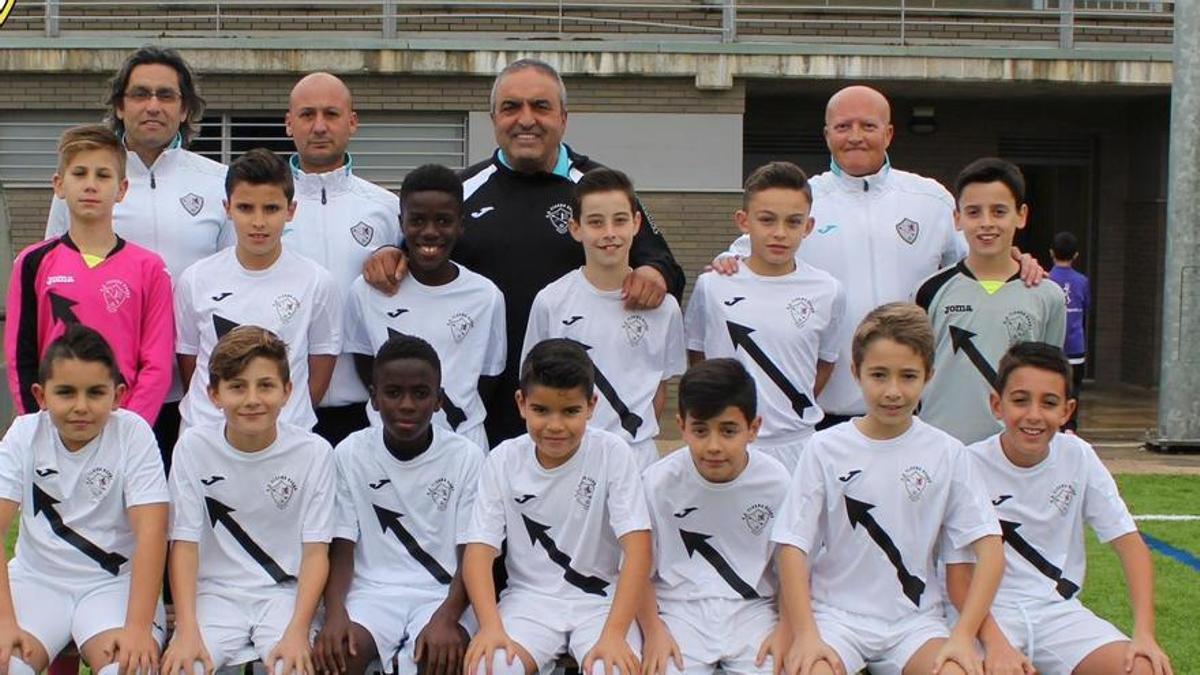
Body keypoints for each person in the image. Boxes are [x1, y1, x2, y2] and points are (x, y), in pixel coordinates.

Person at [363, 58, 685, 446]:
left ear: (564, 118)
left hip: (567, 408)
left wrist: (655, 274)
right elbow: (415, 247)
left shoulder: (598, 189)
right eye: (512, 107)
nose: (526, 119)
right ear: (494, 118)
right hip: (485, 406)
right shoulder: (461, 190)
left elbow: (663, 261)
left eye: (541, 106)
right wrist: (387, 253)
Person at [712, 86, 1044, 429]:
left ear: (888, 133)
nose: (855, 136)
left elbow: (980, 261)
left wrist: (1019, 260)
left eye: (867, 126)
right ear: (826, 135)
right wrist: (726, 262)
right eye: (843, 127)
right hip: (824, 411)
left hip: (914, 409)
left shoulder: (930, 200)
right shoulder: (804, 202)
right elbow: (743, 258)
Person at [772, 303, 1004, 675]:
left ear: (929, 375)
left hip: (916, 623)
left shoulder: (948, 453)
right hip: (836, 618)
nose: (893, 391)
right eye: (879, 375)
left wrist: (962, 634)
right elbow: (792, 545)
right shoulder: (825, 448)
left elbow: (991, 550)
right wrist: (806, 633)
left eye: (908, 376)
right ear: (856, 373)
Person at [43, 45, 232, 463]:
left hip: (196, 393)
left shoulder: (219, 183)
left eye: (166, 96)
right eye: (140, 94)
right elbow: (54, 278)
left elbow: (237, 280)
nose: (153, 106)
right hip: (102, 391)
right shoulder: (88, 180)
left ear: (185, 109)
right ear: (119, 105)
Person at [944, 342, 1172, 675]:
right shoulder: (966, 464)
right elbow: (958, 575)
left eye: (1049, 403)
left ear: (1067, 411)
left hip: (1056, 612)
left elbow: (1131, 546)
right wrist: (996, 645)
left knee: (1143, 667)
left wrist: (1144, 634)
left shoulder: (1078, 456)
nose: (1034, 415)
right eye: (1020, 400)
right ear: (997, 404)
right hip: (986, 616)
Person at [461, 339, 651, 675]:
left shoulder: (614, 453)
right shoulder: (502, 459)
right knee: (490, 667)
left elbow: (637, 549)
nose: (555, 425)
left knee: (615, 669)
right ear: (521, 403)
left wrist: (614, 634)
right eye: (541, 410)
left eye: (571, 411)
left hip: (602, 603)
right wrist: (490, 627)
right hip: (528, 601)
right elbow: (479, 551)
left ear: (591, 406)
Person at [161, 326, 335, 675]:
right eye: (237, 386)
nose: (252, 399)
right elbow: (184, 546)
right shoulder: (193, 447)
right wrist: (186, 630)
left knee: (294, 667)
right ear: (213, 394)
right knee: (183, 667)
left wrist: (299, 631)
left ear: (287, 391)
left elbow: (316, 552)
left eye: (266, 385)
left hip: (285, 595)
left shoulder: (314, 452)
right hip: (214, 595)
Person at [0, 326, 169, 675]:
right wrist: (4, 622)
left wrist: (138, 629)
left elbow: (152, 532)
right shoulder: (24, 434)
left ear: (118, 395)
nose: (81, 407)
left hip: (114, 583)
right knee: (6, 663)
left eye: (95, 393)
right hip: (36, 580)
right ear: (41, 395)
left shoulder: (133, 434)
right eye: (65, 392)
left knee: (131, 668)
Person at [314, 334, 482, 675]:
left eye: (421, 394)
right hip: (371, 592)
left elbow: (473, 554)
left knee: (438, 658)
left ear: (438, 400)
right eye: (393, 393)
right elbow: (342, 548)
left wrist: (447, 617)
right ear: (374, 399)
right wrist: (334, 614)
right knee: (336, 657)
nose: (407, 404)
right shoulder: (350, 452)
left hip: (442, 594)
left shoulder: (466, 457)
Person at [8, 124, 174, 426]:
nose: (90, 185)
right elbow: (21, 357)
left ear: (122, 189)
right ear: (59, 185)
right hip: (54, 427)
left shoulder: (150, 268)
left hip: (123, 429)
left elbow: (157, 364)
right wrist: (39, 427)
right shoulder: (32, 262)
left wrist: (129, 431)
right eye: (79, 173)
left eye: (103, 175)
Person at [684, 162, 844, 473]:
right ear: (743, 221)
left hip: (798, 445)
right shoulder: (712, 285)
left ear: (808, 227)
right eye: (767, 220)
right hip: (730, 444)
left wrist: (790, 403)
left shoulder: (829, 290)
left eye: (793, 222)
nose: (780, 233)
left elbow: (825, 362)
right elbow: (698, 356)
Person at [522, 168, 685, 469]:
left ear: (636, 224)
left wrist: (632, 434)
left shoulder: (664, 307)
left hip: (637, 458)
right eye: (596, 222)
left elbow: (659, 386)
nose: (609, 232)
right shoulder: (551, 301)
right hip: (571, 456)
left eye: (620, 220)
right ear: (575, 228)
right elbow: (534, 380)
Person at [638, 358, 791, 675]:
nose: (714, 446)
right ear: (681, 427)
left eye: (728, 430)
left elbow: (794, 568)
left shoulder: (777, 482)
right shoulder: (657, 482)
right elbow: (637, 568)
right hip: (677, 611)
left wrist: (787, 628)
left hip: (755, 611)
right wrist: (653, 631)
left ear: (754, 428)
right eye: (700, 430)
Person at [173, 148, 340, 432]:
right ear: (227, 208)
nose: (259, 222)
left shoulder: (317, 281)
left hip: (286, 439)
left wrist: (285, 419)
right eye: (246, 208)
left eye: (271, 208)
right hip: (207, 436)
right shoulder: (196, 278)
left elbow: (321, 364)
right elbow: (190, 359)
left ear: (291, 210)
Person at [343, 164, 504, 451]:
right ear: (401, 222)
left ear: (461, 224)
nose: (430, 232)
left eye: (443, 221)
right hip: (387, 445)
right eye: (417, 220)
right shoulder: (366, 292)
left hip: (462, 446)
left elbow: (488, 378)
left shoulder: (486, 295)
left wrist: (450, 419)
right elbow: (366, 363)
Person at [282, 72, 402, 446]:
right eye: (307, 115)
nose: (319, 127)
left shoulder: (386, 207)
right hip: (283, 407)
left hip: (363, 408)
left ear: (352, 122)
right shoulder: (264, 207)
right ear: (288, 124)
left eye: (331, 114)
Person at [915, 158, 1066, 444]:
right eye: (974, 212)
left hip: (1013, 452)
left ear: (1021, 215)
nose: (986, 223)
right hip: (942, 447)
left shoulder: (1048, 295)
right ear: (957, 218)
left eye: (999, 212)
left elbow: (1051, 378)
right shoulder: (928, 291)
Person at [1048, 231, 1091, 432]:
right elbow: (1086, 308)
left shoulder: (1046, 280)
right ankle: (1070, 427)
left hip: (1053, 347)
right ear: (1076, 255)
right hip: (1076, 346)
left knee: (1051, 386)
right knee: (1073, 388)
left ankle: (1053, 424)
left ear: (1051, 253)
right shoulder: (1082, 281)